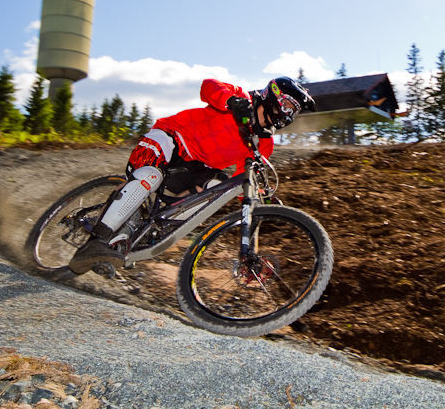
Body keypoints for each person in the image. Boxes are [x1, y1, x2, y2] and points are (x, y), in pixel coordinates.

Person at [67, 76, 315, 274]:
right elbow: (208, 87)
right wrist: (230, 101)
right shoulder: (241, 98)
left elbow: (243, 180)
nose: (289, 114)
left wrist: (261, 200)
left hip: (195, 168)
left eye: (294, 112)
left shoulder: (265, 143)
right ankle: (97, 240)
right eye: (288, 105)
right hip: (171, 138)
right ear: (273, 95)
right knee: (150, 175)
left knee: (219, 186)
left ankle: (152, 230)